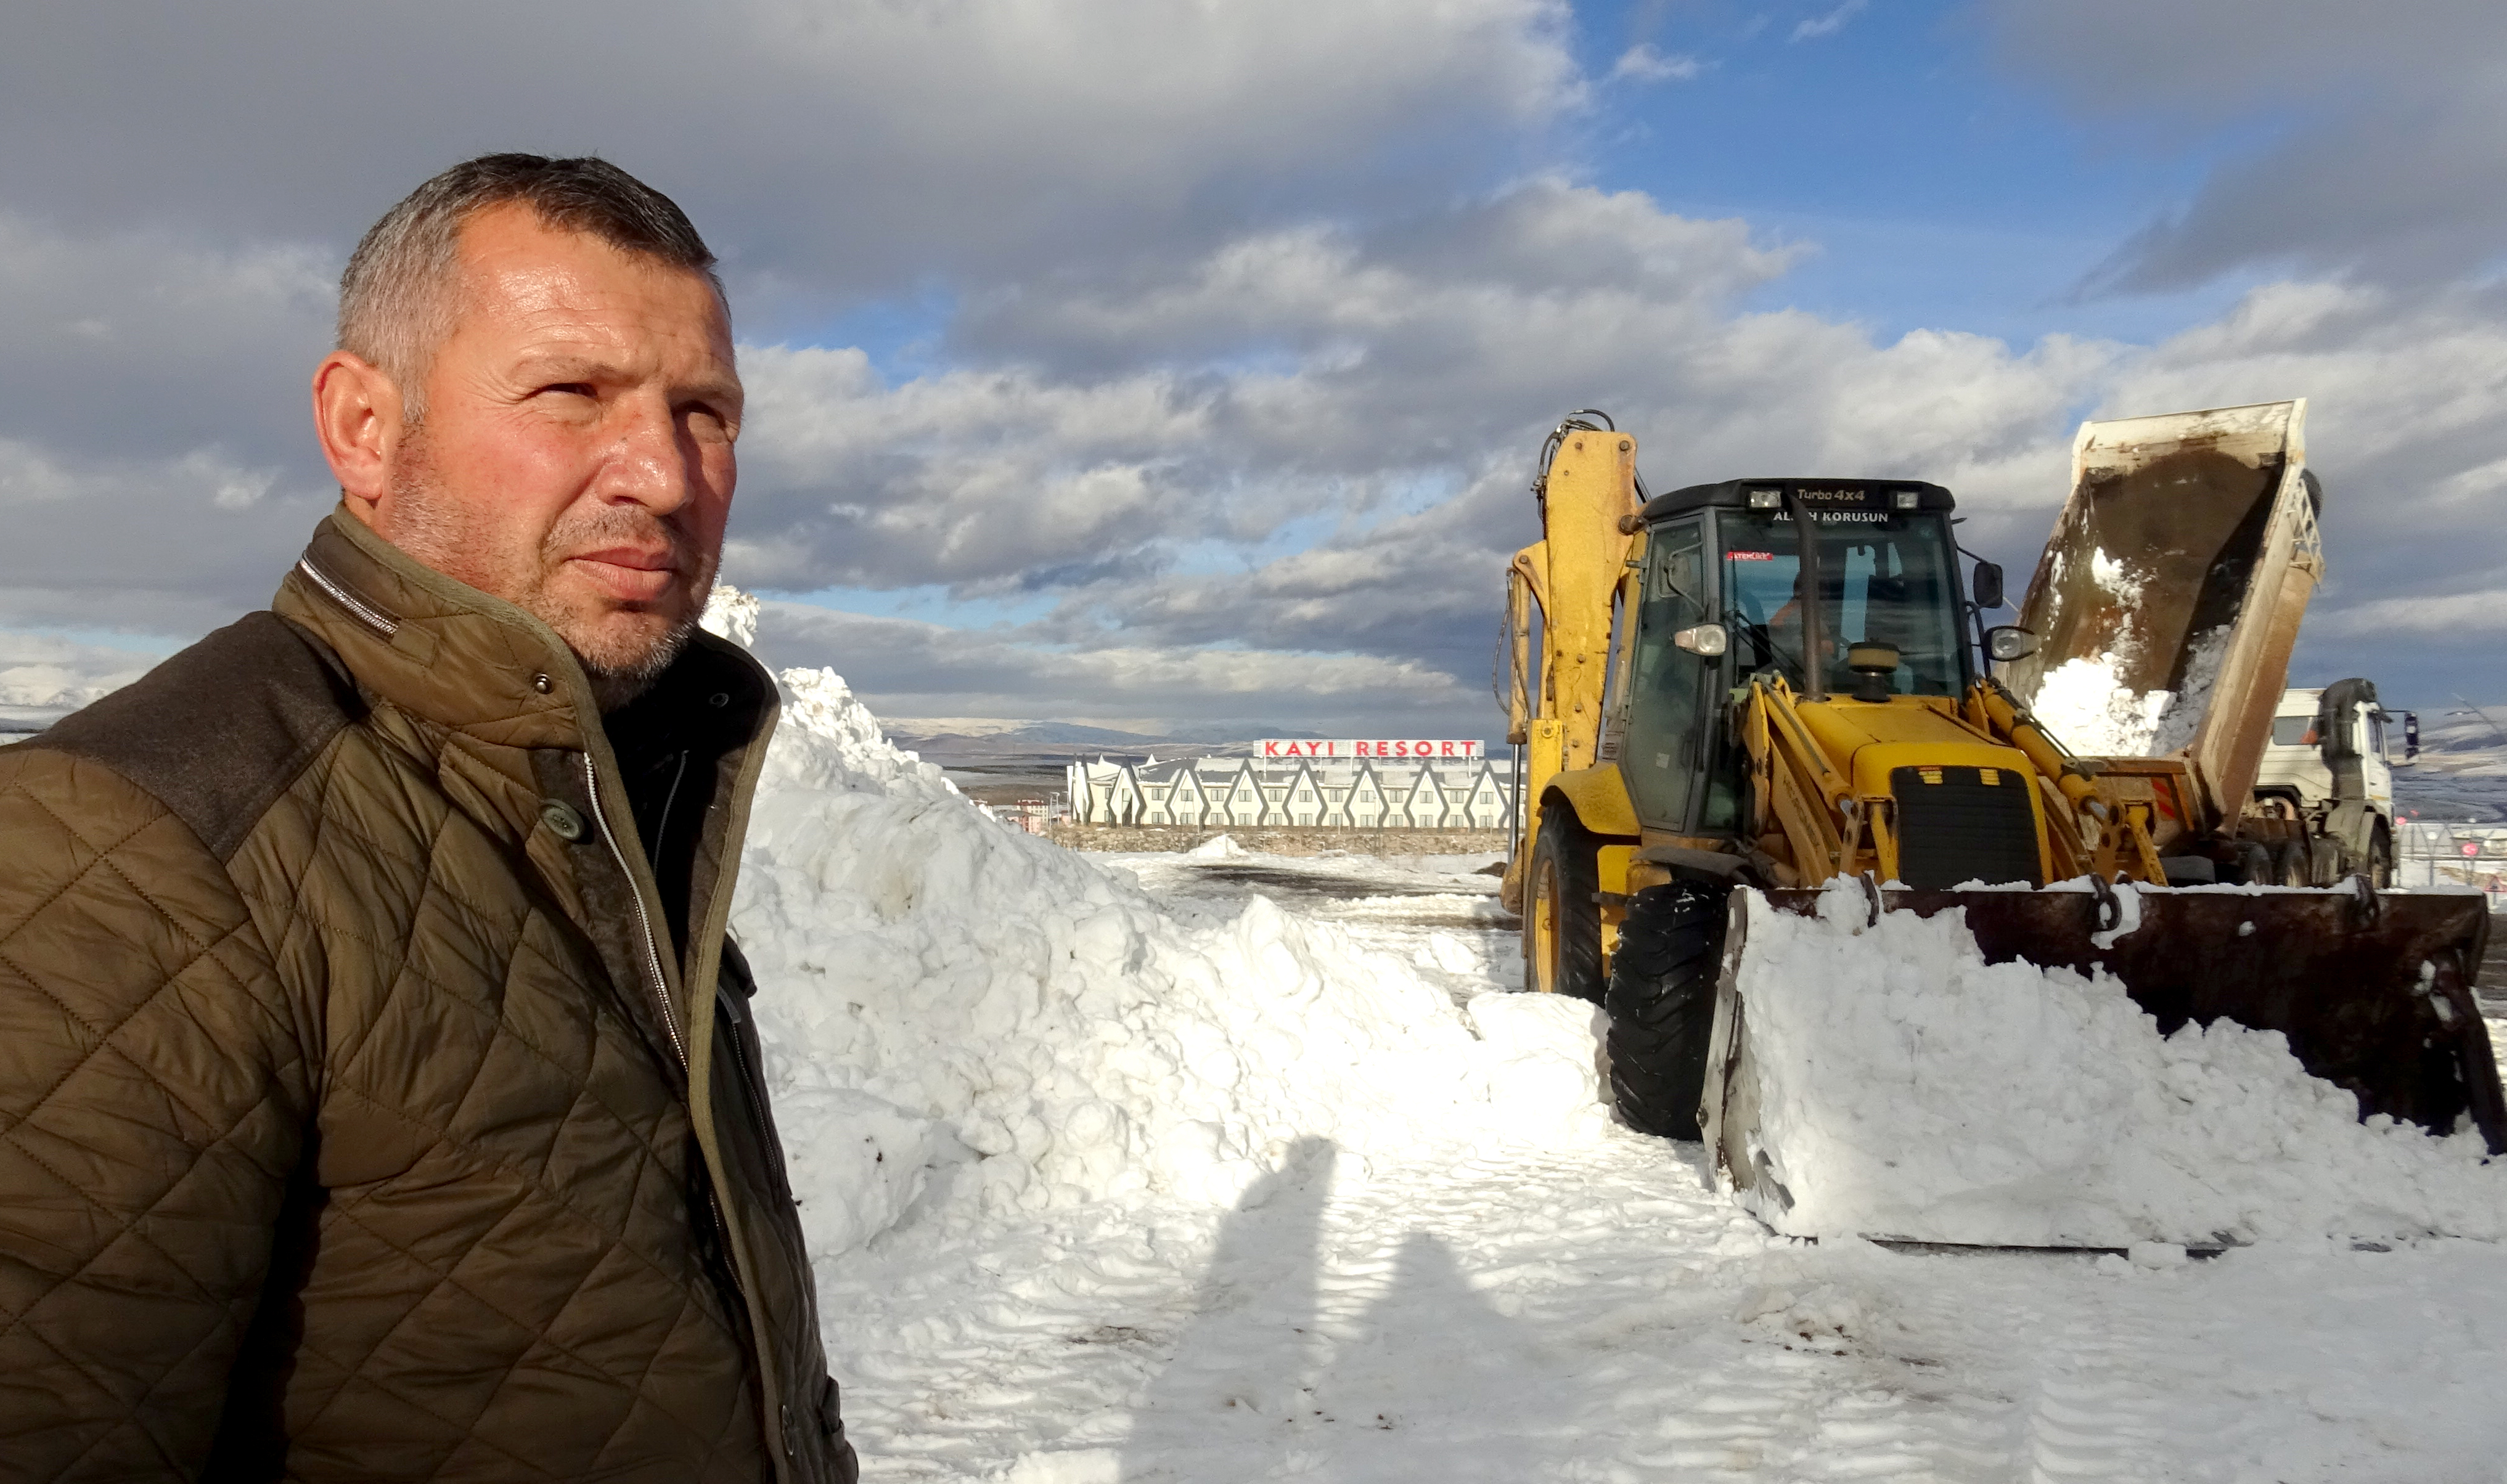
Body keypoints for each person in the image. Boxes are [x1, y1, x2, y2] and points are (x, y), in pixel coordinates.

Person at [0, 155, 854, 1483]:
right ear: (362, 428)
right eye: (575, 392)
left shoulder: (631, 776)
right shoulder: (139, 845)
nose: (669, 475)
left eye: (707, 412)